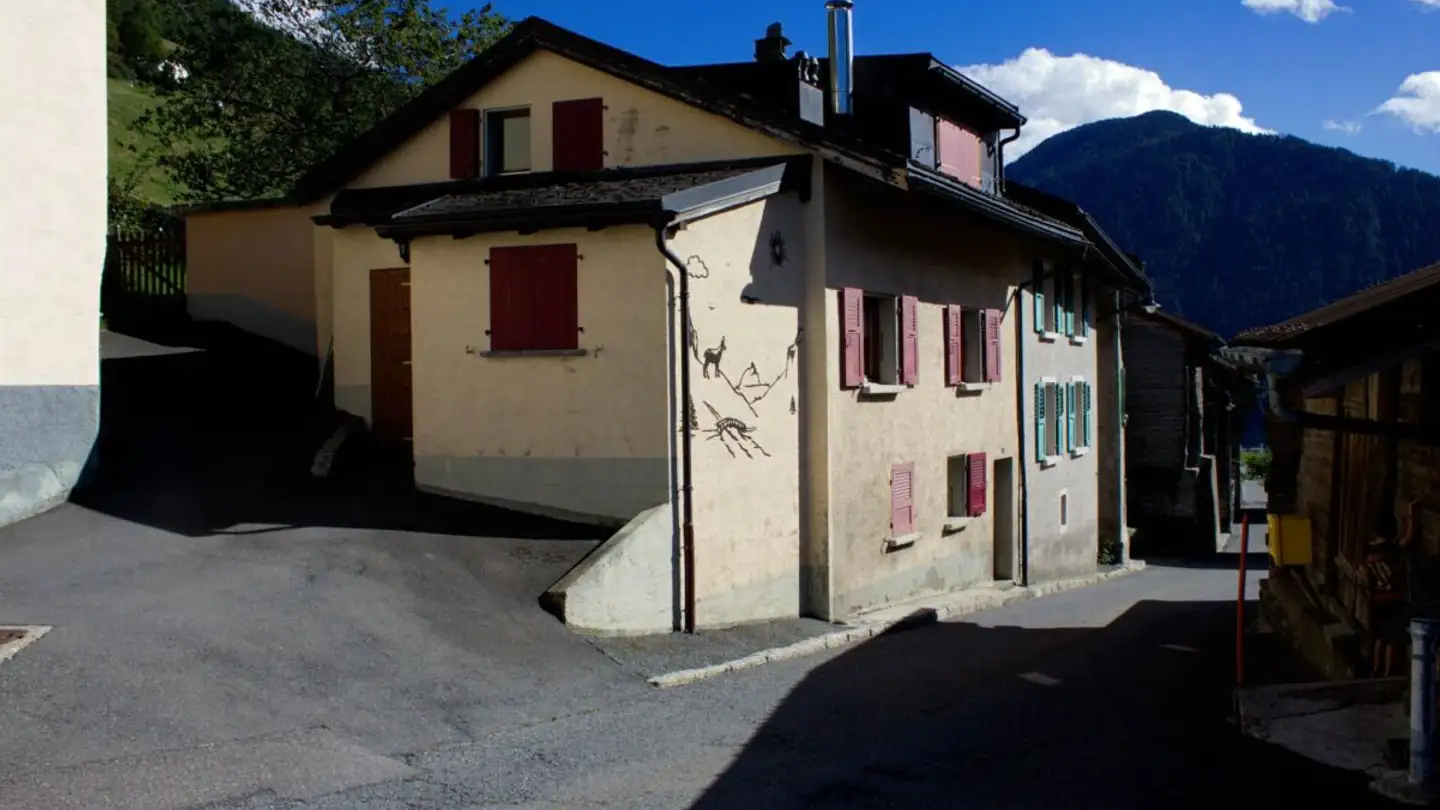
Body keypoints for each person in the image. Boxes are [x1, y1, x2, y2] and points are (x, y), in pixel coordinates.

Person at [1362, 500, 1421, 678]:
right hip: (1394, 601)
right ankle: (1388, 673)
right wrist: (1412, 514)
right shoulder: (1394, 549)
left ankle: (1375, 669)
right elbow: (1410, 536)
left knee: (1379, 637)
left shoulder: (1368, 552)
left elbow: (1364, 577)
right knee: (1392, 640)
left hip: (1375, 601)